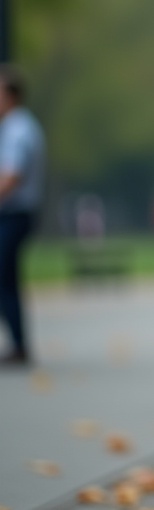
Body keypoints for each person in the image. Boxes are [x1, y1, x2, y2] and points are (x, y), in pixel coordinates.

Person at [0, 66, 44, 366]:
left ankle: (19, 345)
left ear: (10, 95)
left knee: (5, 278)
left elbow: (13, 175)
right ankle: (19, 344)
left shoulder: (18, 128)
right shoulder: (17, 126)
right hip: (16, 213)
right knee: (7, 278)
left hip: (15, 213)